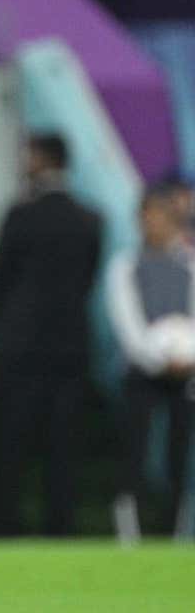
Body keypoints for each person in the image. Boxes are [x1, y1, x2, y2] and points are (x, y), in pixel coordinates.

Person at [0, 133, 103, 536]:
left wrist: (8, 325)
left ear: (41, 159)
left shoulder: (19, 216)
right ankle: (62, 527)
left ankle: (4, 527)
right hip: (70, 346)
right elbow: (88, 280)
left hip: (21, 348)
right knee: (63, 446)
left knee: (12, 443)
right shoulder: (90, 219)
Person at [107, 188, 194, 541]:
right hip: (143, 372)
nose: (151, 225)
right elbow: (127, 322)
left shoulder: (189, 265)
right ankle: (131, 532)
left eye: (158, 217)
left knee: (179, 453)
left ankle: (175, 531)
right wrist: (157, 358)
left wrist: (186, 358)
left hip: (185, 371)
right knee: (134, 452)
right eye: (145, 218)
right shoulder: (125, 265)